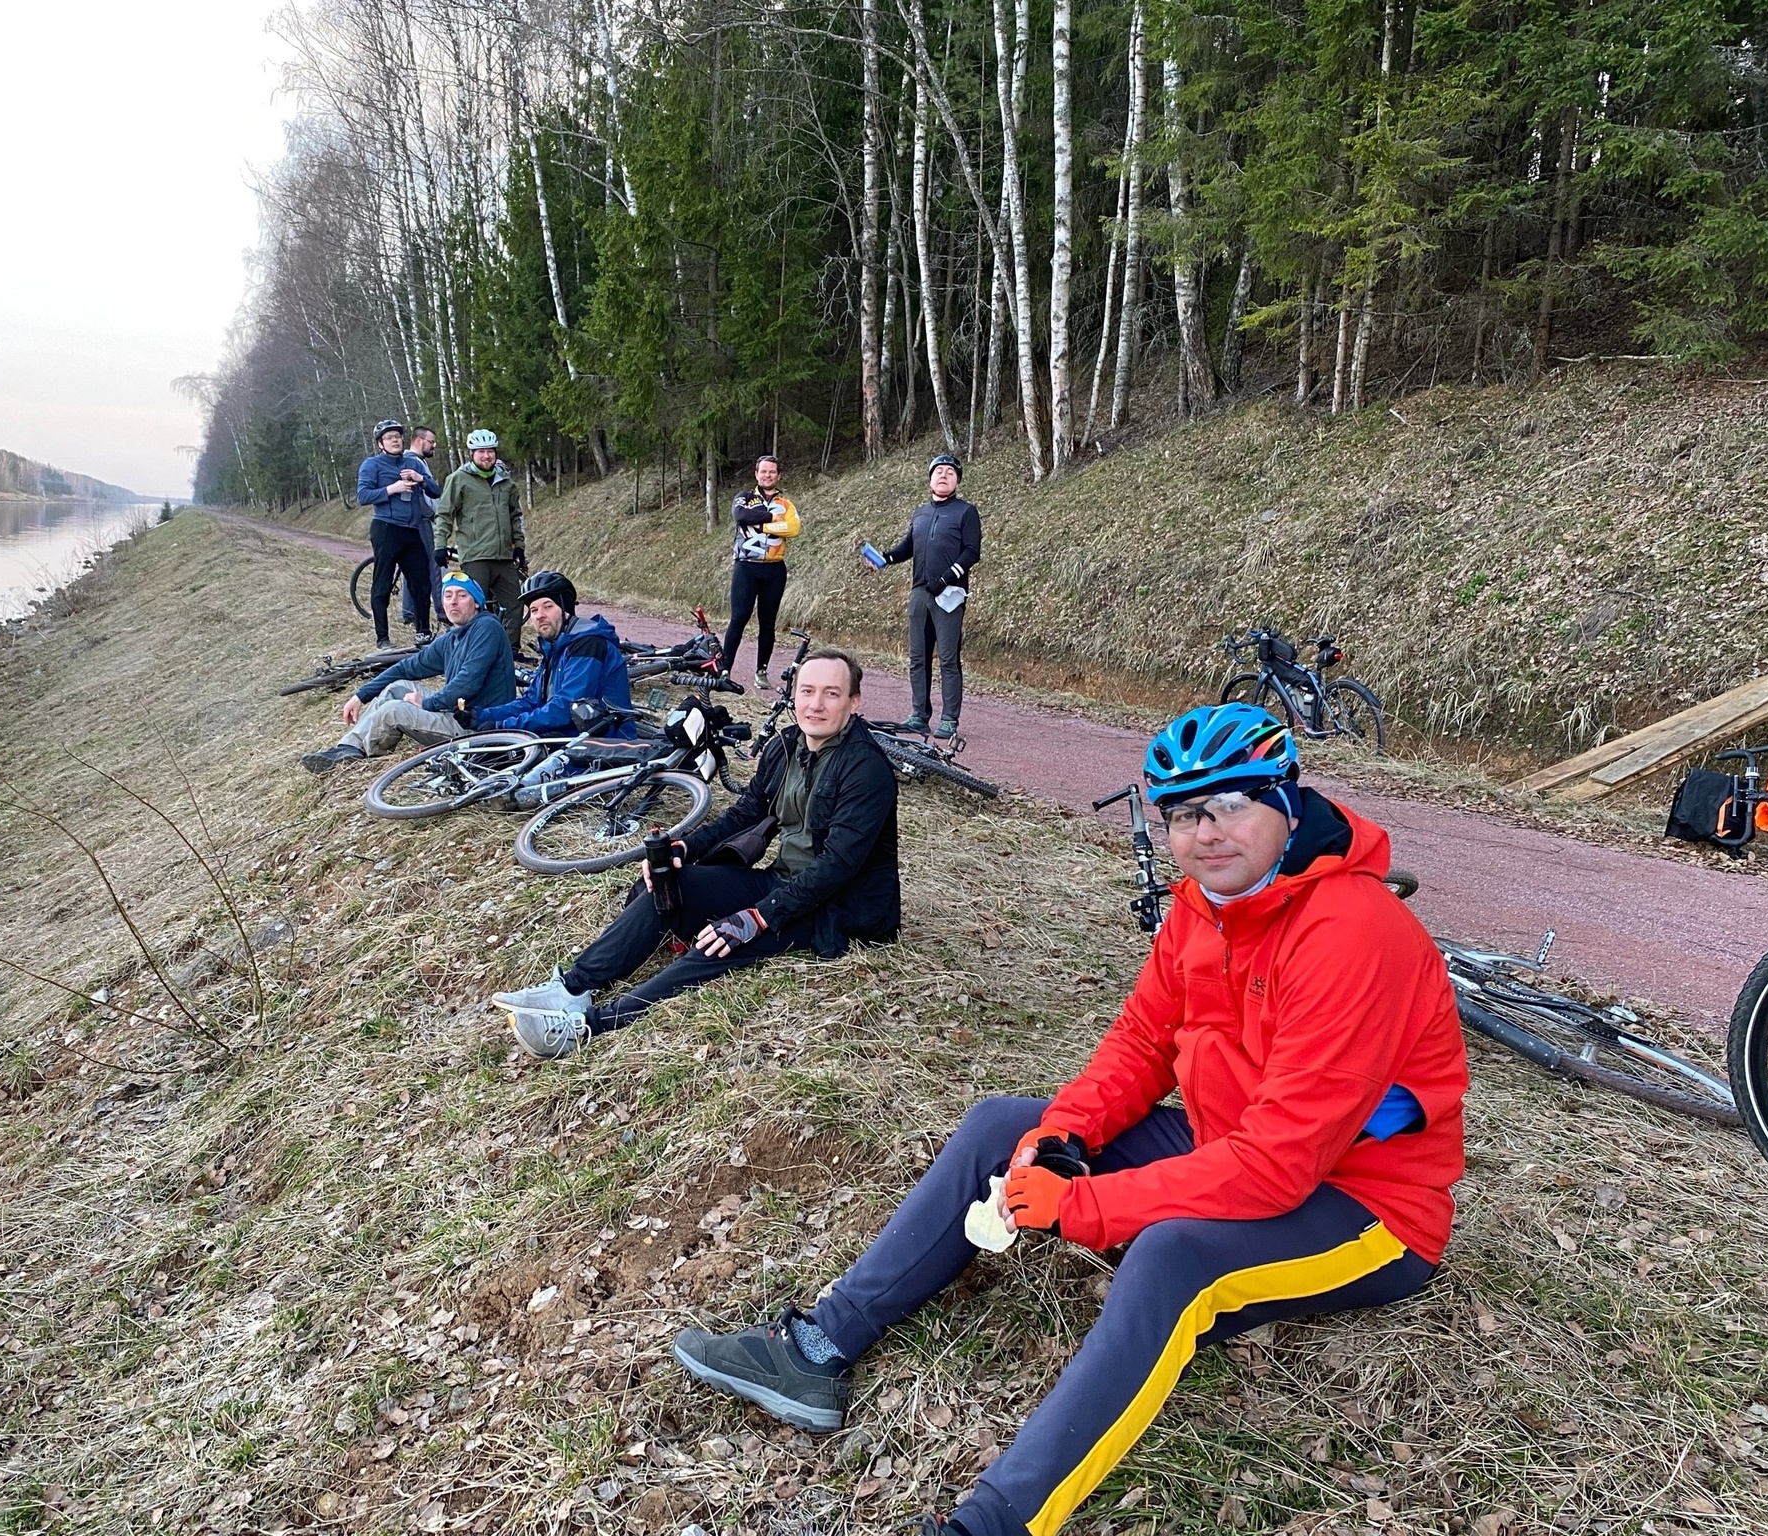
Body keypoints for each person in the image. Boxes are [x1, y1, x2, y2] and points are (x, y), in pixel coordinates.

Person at [670, 702, 1469, 1536]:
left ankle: (998, 1523)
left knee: (1172, 1259)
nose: (1205, 834)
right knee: (999, 1127)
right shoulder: (1206, 903)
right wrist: (1063, 1139)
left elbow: (1279, 1166)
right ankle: (816, 1352)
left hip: (1364, 1205)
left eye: (1232, 804)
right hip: (1227, 1138)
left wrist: (1081, 1207)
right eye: (1184, 814)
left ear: (1286, 799)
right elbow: (1141, 1042)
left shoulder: (1352, 932)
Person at [492, 648, 899, 1059]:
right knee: (669, 886)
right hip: (784, 880)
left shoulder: (865, 769)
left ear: (854, 702)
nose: (815, 704)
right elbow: (746, 812)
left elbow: (838, 866)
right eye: (807, 691)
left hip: (840, 908)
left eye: (831, 694)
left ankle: (589, 1027)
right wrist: (683, 848)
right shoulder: (786, 746)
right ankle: (573, 987)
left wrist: (757, 916)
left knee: (721, 940)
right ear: (793, 694)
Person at [300, 572, 519, 773]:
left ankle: (360, 757)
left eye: (462, 595)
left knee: (394, 710)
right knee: (395, 688)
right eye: (448, 595)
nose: (453, 601)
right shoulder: (451, 638)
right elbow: (407, 667)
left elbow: (467, 682)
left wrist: (426, 703)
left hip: (478, 727)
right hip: (457, 713)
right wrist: (361, 695)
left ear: (476, 603)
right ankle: (348, 748)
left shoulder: (486, 628)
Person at [873, 452, 980, 738]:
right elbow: (908, 546)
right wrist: (887, 558)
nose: (943, 475)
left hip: (949, 594)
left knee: (947, 657)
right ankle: (919, 715)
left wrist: (945, 578)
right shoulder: (920, 512)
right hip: (919, 592)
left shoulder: (966, 512)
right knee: (918, 657)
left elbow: (971, 552)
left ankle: (949, 719)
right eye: (938, 471)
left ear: (957, 480)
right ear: (930, 479)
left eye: (949, 472)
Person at [468, 569, 636, 739]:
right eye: (533, 610)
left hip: (603, 747)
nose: (540, 615)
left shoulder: (589, 644)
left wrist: (503, 726)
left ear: (566, 609)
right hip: (567, 740)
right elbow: (531, 702)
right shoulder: (555, 647)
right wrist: (481, 715)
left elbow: (564, 708)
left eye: (548, 606)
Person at [356, 419, 442, 651]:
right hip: (386, 528)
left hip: (412, 530)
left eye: (397, 436)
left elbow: (436, 491)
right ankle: (382, 638)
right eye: (389, 437)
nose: (394, 440)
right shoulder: (372, 465)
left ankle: (423, 634)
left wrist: (421, 479)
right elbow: (363, 495)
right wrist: (391, 489)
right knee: (382, 582)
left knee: (421, 583)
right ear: (380, 444)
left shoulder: (412, 463)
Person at [434, 428, 526, 645]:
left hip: (504, 555)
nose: (486, 456)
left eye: (490, 451)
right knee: (473, 606)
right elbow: (445, 514)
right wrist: (440, 544)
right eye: (481, 451)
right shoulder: (459, 479)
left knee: (514, 604)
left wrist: (519, 546)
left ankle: (510, 649)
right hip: (475, 555)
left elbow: (515, 515)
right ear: (472, 454)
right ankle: (472, 648)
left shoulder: (506, 481)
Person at [720, 453, 801, 690]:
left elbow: (794, 528)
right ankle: (725, 669)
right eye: (763, 471)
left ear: (778, 475)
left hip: (774, 570)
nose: (768, 475)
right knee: (739, 618)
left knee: (768, 623)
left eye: (772, 472)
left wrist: (761, 524)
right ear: (756, 474)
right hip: (746, 567)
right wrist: (773, 519)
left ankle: (761, 671)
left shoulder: (786, 504)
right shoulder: (744, 498)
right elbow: (740, 515)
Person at [404, 426, 445, 634]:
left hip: (409, 521)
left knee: (410, 568)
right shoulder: (416, 463)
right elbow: (431, 495)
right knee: (433, 566)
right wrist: (438, 514)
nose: (434, 445)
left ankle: (408, 612)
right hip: (422, 520)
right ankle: (441, 610)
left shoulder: (408, 460)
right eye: (431, 441)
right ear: (419, 441)